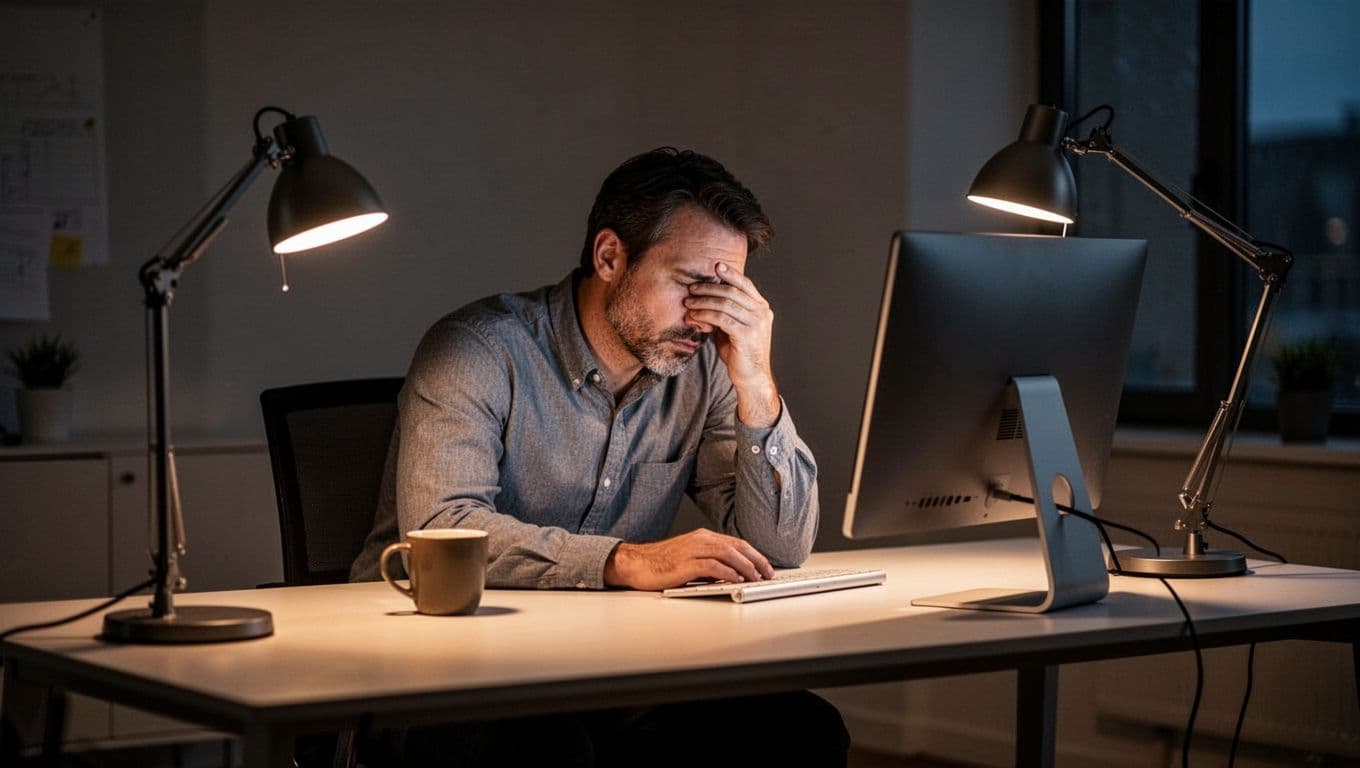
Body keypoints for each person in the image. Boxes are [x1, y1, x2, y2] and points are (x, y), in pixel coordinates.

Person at [348, 147, 847, 767]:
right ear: (610, 256)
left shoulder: (706, 370)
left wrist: (756, 381)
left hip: (605, 663)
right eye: (692, 284)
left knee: (799, 729)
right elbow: (442, 530)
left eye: (727, 290)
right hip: (438, 664)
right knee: (547, 750)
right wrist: (625, 560)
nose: (707, 317)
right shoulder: (476, 350)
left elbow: (781, 547)